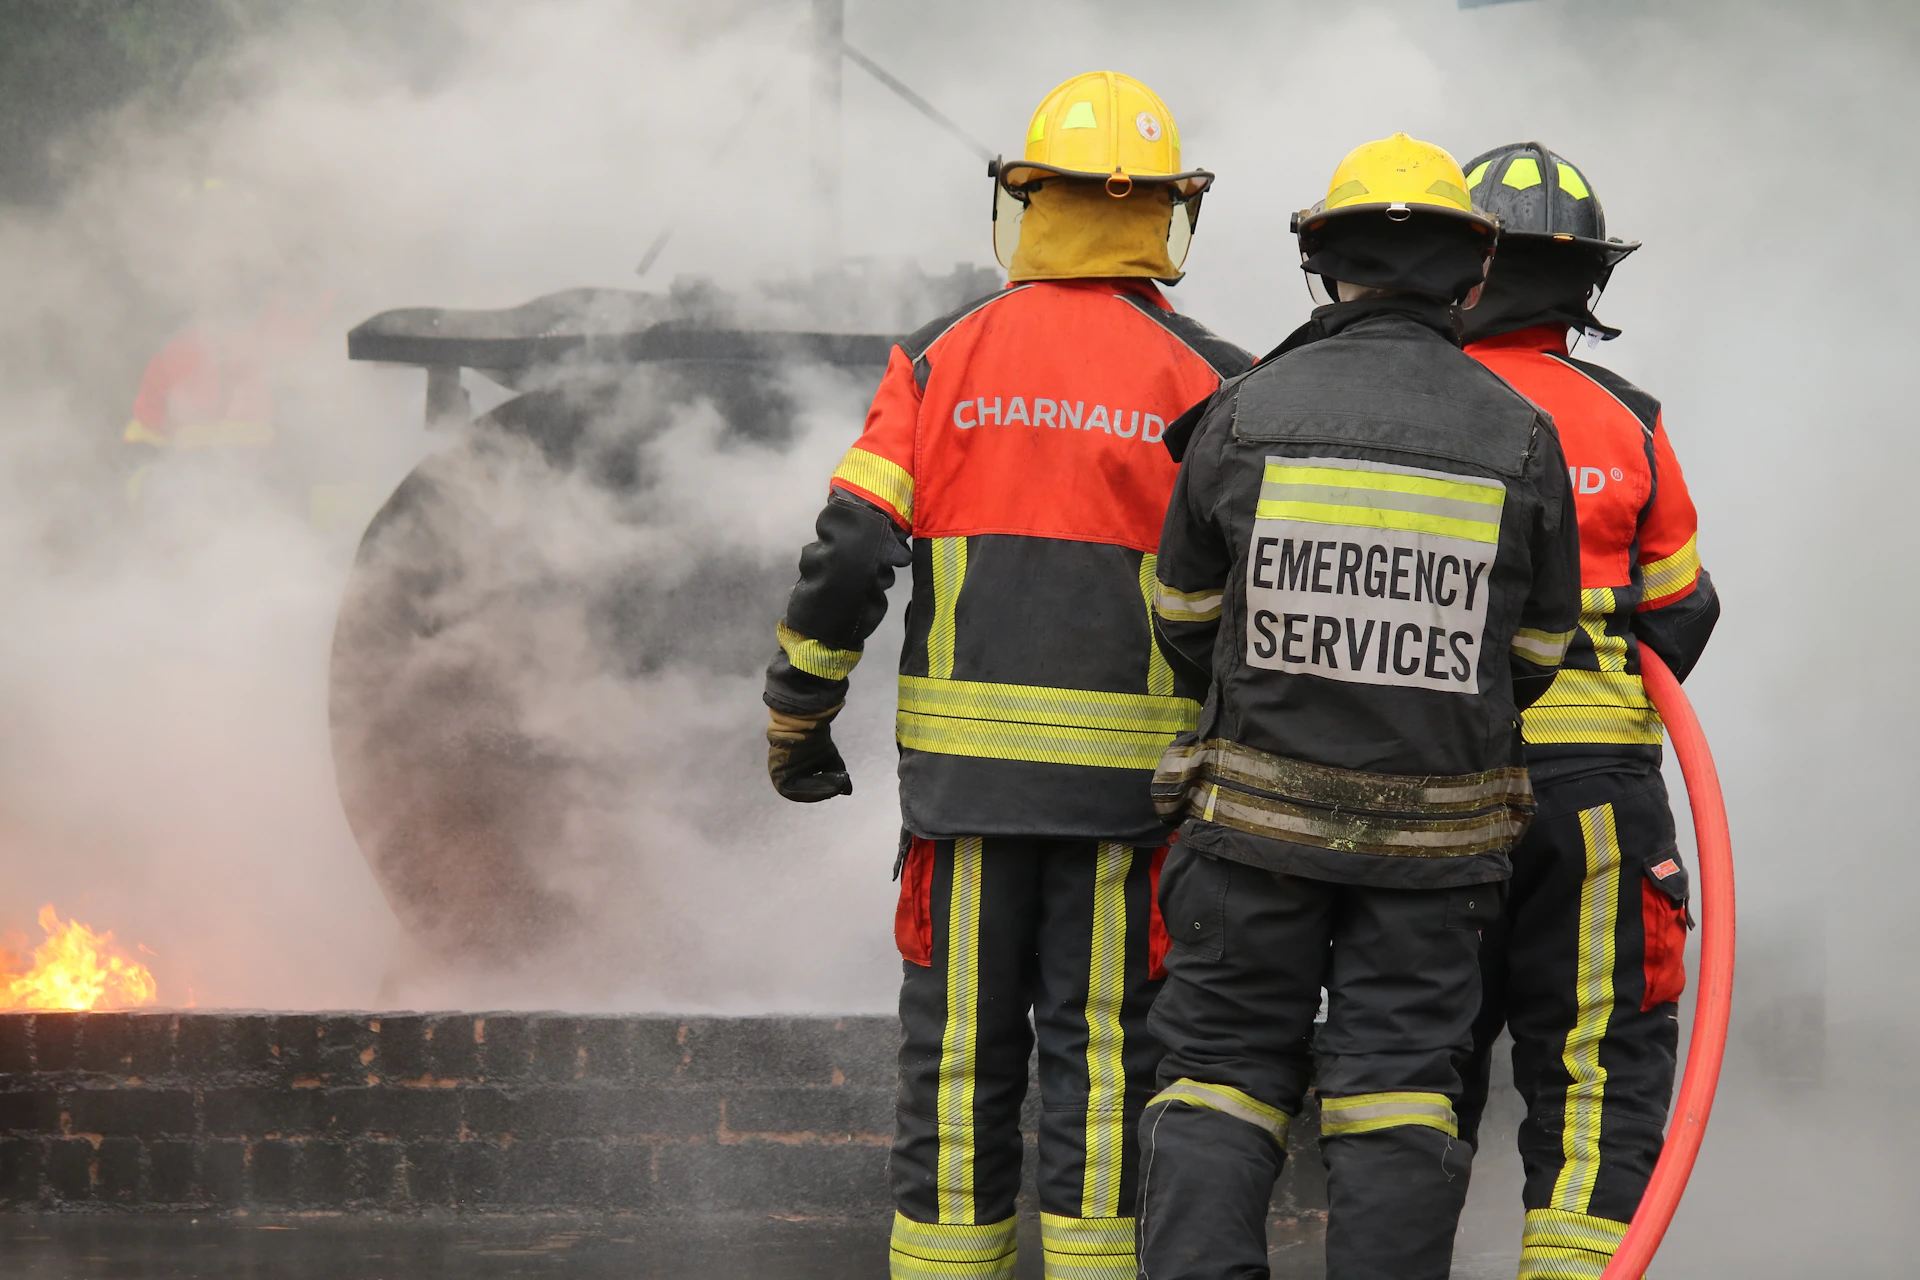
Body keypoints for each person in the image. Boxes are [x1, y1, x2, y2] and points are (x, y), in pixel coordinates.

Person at [761, 72, 1252, 1280]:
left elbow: (853, 552)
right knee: (1100, 1068)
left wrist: (798, 712)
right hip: (1128, 810)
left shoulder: (939, 361)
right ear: (1163, 216)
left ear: (1027, 202)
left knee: (961, 1068)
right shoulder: (1215, 381)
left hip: (970, 802)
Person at [1135, 133, 1583, 1280]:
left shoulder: (1243, 412)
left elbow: (1183, 614)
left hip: (1254, 835)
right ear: (1471, 273)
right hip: (1435, 854)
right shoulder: (1523, 437)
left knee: (1223, 1074)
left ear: (1325, 266)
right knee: (1396, 1091)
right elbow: (1536, 648)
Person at [1455, 142, 1720, 1280]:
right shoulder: (1633, 419)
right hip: (1599, 811)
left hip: (1437, 797)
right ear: (1584, 283)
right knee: (1599, 1080)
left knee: (1412, 1074)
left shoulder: (1418, 407)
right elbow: (1682, 612)